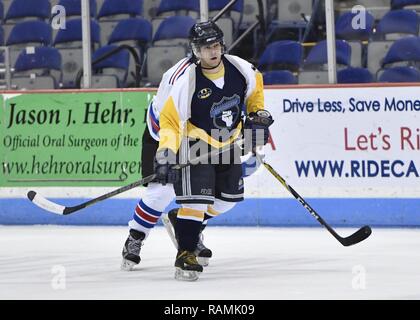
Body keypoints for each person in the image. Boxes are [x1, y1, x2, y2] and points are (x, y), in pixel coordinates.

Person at [154, 20, 273, 281]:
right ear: (196, 51)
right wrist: (166, 153)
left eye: (216, 45)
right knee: (196, 202)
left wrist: (257, 118)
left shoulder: (242, 69)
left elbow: (255, 96)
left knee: (228, 200)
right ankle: (185, 254)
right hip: (195, 144)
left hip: (227, 142)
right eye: (206, 47)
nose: (213, 51)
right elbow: (171, 123)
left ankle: (184, 222)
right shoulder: (187, 81)